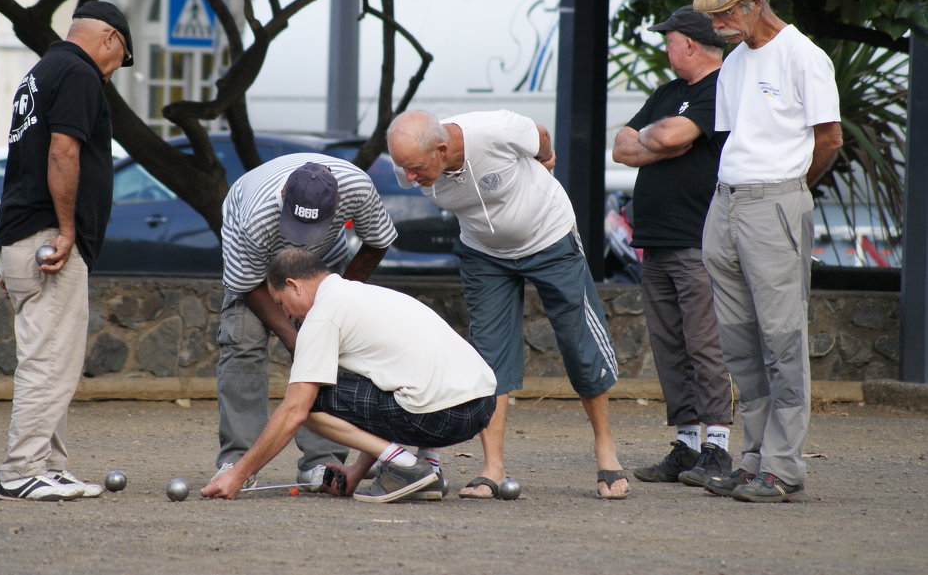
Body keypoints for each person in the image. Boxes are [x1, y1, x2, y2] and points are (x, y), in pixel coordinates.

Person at [387, 109, 630, 499]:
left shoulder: (493, 130)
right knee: (488, 355)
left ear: (442, 147)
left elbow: (541, 137)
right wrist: (412, 168)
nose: (409, 178)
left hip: (548, 236)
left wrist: (546, 160)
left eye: (415, 168)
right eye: (405, 169)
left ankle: (606, 450)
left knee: (577, 342)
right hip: (483, 252)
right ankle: (492, 468)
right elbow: (414, 170)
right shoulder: (410, 164)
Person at [693, 0, 842, 503]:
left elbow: (829, 139)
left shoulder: (805, 56)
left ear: (756, 1)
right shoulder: (734, 63)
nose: (717, 26)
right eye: (712, 17)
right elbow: (736, 138)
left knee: (782, 339)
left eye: (726, 13)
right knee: (738, 342)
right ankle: (753, 458)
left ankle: (783, 466)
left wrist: (789, 190)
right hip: (727, 202)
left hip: (775, 201)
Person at [202, 248, 497, 503]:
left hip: (438, 417)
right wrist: (357, 471)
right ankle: (427, 469)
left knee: (311, 404)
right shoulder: (369, 294)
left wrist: (238, 474)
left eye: (281, 303)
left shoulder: (323, 315)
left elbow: (294, 412)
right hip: (482, 409)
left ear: (295, 286)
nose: (287, 314)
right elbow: (385, 387)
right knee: (399, 383)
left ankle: (408, 468)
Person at [0, 0, 133, 501]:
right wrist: (67, 231)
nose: (114, 73)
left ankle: (48, 465)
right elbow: (61, 151)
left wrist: (4, 246)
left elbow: (17, 167)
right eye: (120, 59)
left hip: (22, 234)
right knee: (49, 360)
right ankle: (20, 470)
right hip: (48, 237)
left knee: (55, 356)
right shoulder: (78, 73)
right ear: (110, 39)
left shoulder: (40, 72)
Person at [216, 154, 398, 491]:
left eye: (311, 230)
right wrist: (293, 337)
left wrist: (339, 294)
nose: (302, 239)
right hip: (259, 269)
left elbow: (378, 240)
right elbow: (246, 284)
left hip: (322, 265)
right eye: (297, 228)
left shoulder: (357, 187)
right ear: (284, 194)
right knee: (243, 341)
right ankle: (238, 461)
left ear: (338, 203)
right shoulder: (255, 214)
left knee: (331, 353)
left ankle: (322, 461)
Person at [611, 5, 735, 487]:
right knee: (668, 344)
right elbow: (622, 146)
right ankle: (685, 443)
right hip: (656, 241)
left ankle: (717, 447)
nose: (665, 46)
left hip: (697, 237)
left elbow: (677, 133)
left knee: (704, 343)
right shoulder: (667, 92)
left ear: (689, 43)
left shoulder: (720, 87)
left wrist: (662, 138)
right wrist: (659, 140)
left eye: (669, 39)